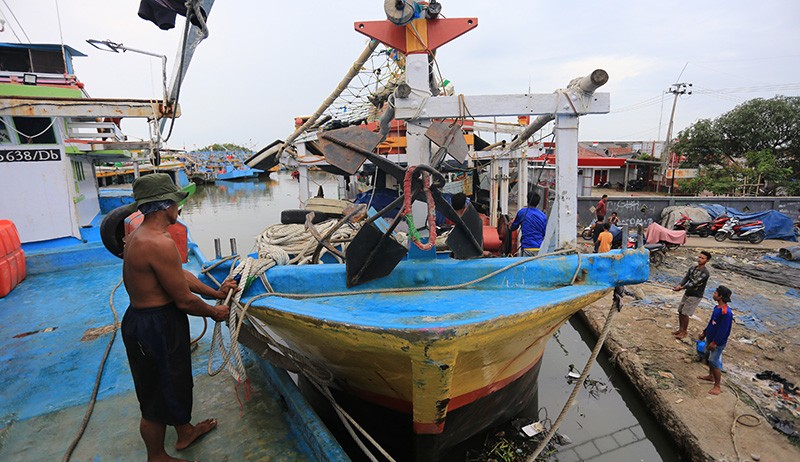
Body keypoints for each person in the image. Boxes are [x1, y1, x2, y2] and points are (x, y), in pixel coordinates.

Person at [121, 173, 237, 462]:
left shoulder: (145, 235)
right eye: (176, 201)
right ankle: (157, 456)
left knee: (173, 382)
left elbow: (181, 276)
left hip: (153, 321)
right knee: (156, 395)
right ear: (165, 206)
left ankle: (185, 433)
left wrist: (215, 293)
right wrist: (215, 312)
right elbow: (184, 300)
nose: (179, 208)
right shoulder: (156, 243)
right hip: (154, 326)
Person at [698, 286, 734, 395]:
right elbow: (712, 322)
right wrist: (705, 332)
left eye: (715, 293)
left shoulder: (726, 313)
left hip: (717, 342)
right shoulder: (717, 308)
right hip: (711, 337)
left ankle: (717, 385)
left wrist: (715, 342)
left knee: (714, 361)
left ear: (720, 296)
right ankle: (710, 376)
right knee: (709, 357)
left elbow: (723, 330)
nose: (713, 294)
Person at [671, 251, 712, 339]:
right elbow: (686, 278)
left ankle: (684, 332)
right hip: (688, 293)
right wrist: (680, 285)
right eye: (699, 257)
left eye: (702, 258)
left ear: (707, 260)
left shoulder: (705, 273)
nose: (699, 259)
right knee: (680, 310)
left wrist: (681, 288)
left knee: (685, 313)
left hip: (695, 295)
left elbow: (694, 283)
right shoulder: (692, 268)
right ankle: (680, 329)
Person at [510, 191, 547, 256]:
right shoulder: (543, 216)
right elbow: (544, 233)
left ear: (527, 200)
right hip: (540, 248)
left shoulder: (522, 212)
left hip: (527, 247)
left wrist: (510, 224)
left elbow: (513, 227)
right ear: (538, 203)